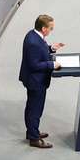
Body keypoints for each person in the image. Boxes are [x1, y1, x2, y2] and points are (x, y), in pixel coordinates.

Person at [19, 15, 62, 149]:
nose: (51, 30)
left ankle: (32, 131)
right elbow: (34, 65)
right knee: (35, 110)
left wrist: (51, 49)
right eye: (50, 28)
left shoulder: (34, 35)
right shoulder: (33, 42)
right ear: (43, 28)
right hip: (35, 81)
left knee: (33, 107)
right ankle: (34, 138)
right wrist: (51, 65)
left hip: (35, 80)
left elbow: (40, 51)